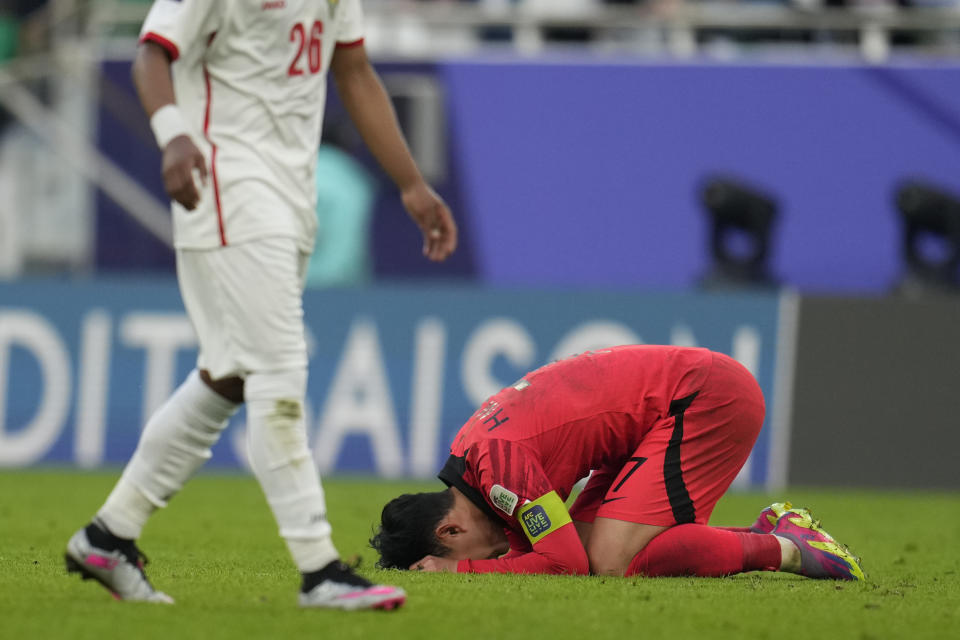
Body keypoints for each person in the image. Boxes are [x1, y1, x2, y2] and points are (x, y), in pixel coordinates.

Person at [65, 0, 457, 610]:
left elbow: (353, 72)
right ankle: (319, 569)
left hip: (291, 196)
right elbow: (152, 53)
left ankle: (107, 536)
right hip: (228, 189)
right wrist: (173, 137)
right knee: (278, 369)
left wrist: (410, 181)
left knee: (226, 376)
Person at [371, 345, 865, 581]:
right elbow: (556, 553)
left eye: (468, 555)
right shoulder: (475, 458)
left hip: (705, 397)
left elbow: (562, 565)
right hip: (654, 421)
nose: (488, 558)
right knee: (596, 548)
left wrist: (462, 574)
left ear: (450, 533)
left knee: (609, 560)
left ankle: (788, 548)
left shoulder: (499, 471)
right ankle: (769, 527)